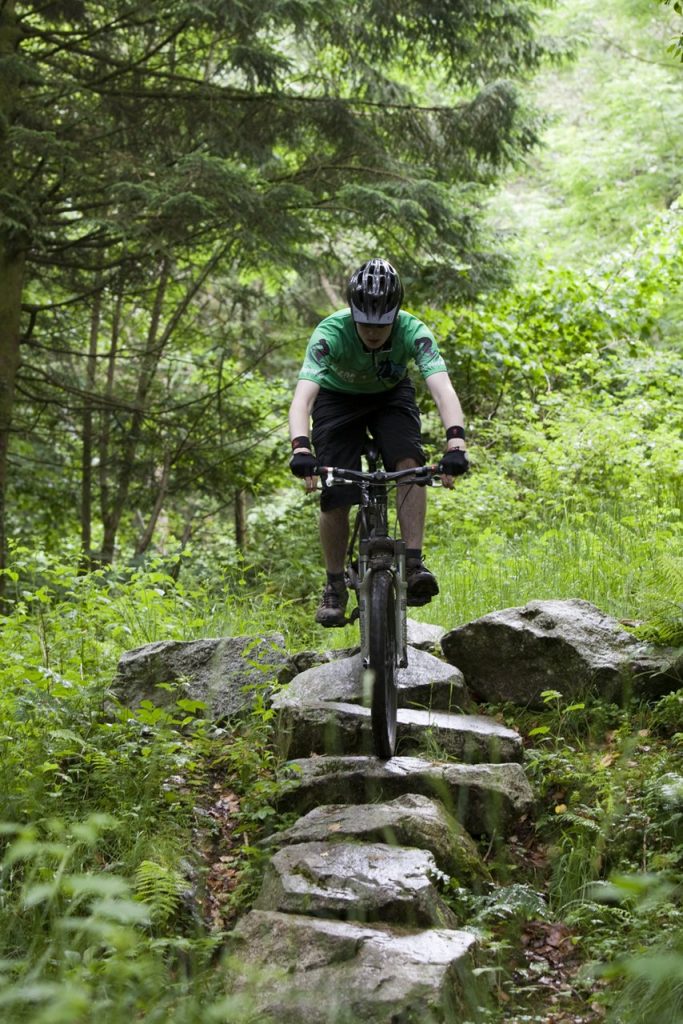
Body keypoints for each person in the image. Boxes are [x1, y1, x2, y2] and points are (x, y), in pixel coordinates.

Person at [288, 257, 469, 627]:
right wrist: (301, 447)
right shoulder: (330, 333)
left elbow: (442, 388)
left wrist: (456, 444)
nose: (373, 332)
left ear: (396, 316)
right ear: (353, 313)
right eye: (365, 323)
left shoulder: (413, 331)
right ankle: (335, 584)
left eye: (382, 325)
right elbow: (303, 398)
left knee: (409, 465)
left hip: (390, 396)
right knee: (336, 490)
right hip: (337, 400)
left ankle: (414, 562)